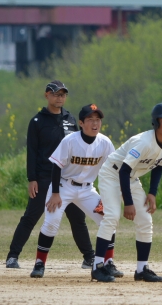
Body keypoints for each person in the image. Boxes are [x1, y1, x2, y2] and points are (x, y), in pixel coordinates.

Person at [5, 81, 95, 270]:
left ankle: (89, 258)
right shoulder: (37, 121)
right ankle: (12, 256)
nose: (59, 98)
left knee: (78, 219)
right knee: (31, 216)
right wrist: (32, 179)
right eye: (55, 94)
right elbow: (32, 152)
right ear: (47, 95)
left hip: (67, 179)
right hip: (45, 178)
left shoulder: (70, 119)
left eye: (63, 94)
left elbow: (79, 146)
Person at [90, 102, 162, 283]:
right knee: (112, 216)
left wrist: (152, 193)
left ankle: (141, 269)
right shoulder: (144, 142)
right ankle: (97, 266)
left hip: (130, 177)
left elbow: (159, 166)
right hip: (112, 174)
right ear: (156, 122)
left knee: (145, 219)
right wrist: (129, 203)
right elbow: (123, 171)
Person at [29, 104, 119, 279]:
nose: (95, 123)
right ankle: (39, 263)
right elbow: (56, 166)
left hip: (87, 189)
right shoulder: (70, 140)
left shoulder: (105, 142)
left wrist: (108, 197)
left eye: (98, 120)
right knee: (51, 223)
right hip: (63, 186)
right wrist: (55, 194)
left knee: (108, 219)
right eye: (90, 120)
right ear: (81, 123)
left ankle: (108, 263)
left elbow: (111, 170)